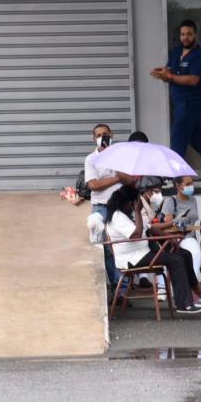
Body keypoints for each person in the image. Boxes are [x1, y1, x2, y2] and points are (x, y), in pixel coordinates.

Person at [104, 184, 201, 314]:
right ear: (130, 203)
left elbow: (151, 228)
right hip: (132, 259)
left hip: (142, 253)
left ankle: (198, 293)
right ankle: (184, 304)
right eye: (136, 202)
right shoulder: (118, 217)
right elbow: (136, 235)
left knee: (184, 254)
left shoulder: (128, 215)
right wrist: (137, 212)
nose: (139, 204)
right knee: (176, 260)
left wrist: (171, 237)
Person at [151, 19, 201, 186]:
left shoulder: (199, 56)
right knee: (197, 140)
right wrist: (162, 74)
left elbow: (193, 80)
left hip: (191, 103)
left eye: (189, 34)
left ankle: (175, 177)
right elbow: (169, 73)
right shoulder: (176, 52)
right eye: (182, 34)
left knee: (178, 138)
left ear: (195, 35)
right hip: (179, 103)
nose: (185, 37)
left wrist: (170, 77)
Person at [85, 124, 123, 294]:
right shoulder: (91, 159)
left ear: (111, 135)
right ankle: (116, 288)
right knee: (106, 249)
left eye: (105, 134)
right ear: (94, 139)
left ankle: (122, 289)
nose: (102, 137)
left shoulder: (119, 156)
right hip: (101, 207)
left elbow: (128, 178)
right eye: (99, 135)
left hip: (120, 206)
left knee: (120, 246)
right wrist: (116, 178)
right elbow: (93, 185)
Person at [161, 176, 201, 277]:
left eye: (192, 183)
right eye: (187, 184)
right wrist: (182, 224)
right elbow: (168, 225)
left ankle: (192, 284)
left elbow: (193, 219)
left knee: (195, 253)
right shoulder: (170, 201)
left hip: (190, 236)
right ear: (178, 186)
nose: (191, 186)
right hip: (176, 237)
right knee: (193, 253)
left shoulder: (193, 200)